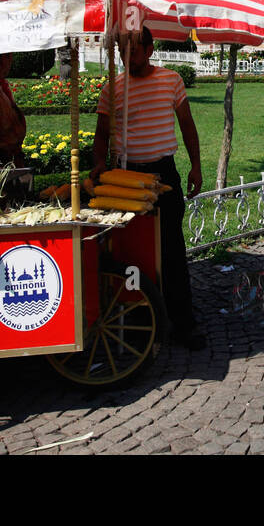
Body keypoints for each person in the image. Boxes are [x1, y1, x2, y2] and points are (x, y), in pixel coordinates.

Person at [91, 27, 206, 349]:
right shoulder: (112, 89)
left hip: (163, 173)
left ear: (150, 48)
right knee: (130, 250)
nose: (128, 58)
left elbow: (187, 125)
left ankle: (183, 323)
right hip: (125, 176)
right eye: (122, 53)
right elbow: (101, 135)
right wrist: (99, 161)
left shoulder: (171, 81)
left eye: (134, 51)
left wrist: (195, 165)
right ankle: (139, 317)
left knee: (171, 250)